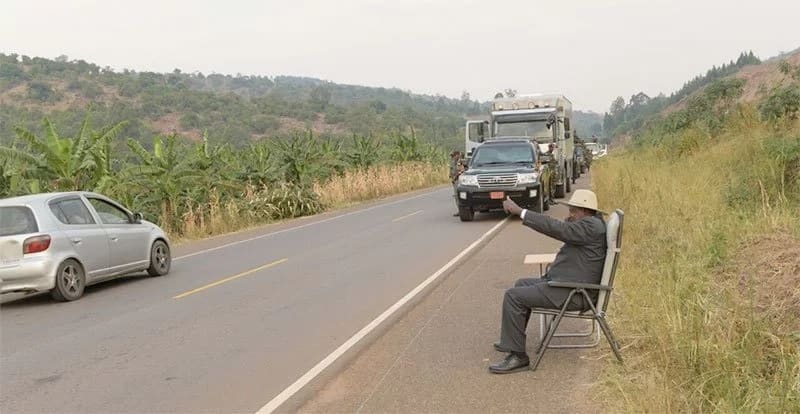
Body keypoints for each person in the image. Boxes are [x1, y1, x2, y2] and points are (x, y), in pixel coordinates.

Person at [488, 189, 607, 374]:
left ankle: (518, 356)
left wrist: (520, 212)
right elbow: (567, 231)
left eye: (573, 211)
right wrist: (571, 222)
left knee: (513, 296)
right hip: (569, 286)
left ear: (585, 211)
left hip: (573, 292)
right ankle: (512, 341)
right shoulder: (592, 225)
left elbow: (557, 228)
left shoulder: (590, 227)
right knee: (521, 284)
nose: (570, 215)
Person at [450, 150, 465, 216]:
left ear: (458, 155)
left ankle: (462, 210)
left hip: (459, 180)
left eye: (454, 156)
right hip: (455, 180)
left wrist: (455, 177)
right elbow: (451, 171)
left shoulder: (461, 162)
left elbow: (462, 171)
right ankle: (459, 210)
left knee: (459, 196)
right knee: (456, 196)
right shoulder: (453, 162)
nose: (453, 157)